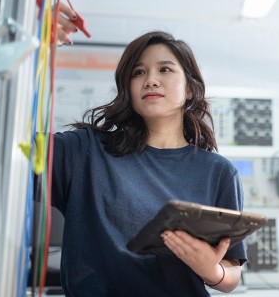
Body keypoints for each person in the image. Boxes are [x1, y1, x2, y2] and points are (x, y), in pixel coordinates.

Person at [51, 31, 246, 296]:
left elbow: (232, 272)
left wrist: (211, 270)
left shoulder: (218, 172)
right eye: (138, 73)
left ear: (190, 88)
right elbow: (12, 148)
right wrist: (34, 44)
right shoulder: (85, 150)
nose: (151, 80)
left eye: (164, 69)